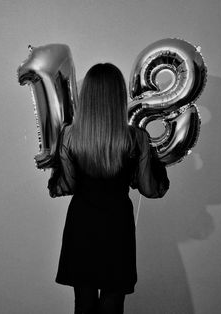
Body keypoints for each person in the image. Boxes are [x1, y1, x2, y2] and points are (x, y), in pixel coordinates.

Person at [48, 63, 170, 314]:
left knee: (83, 304)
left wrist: (53, 166)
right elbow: (150, 189)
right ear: (118, 96)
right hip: (117, 227)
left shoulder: (70, 135)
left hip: (81, 225)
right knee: (113, 305)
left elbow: (65, 185)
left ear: (88, 96)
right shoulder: (136, 137)